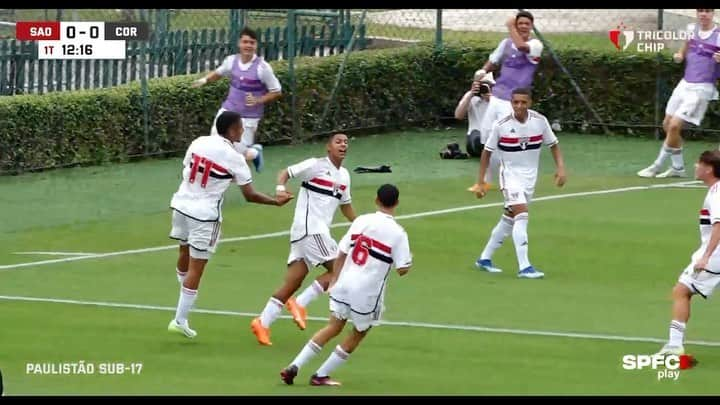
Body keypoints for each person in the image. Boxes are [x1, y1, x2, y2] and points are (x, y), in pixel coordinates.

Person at [167, 111, 293, 338]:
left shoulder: (199, 142)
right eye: (241, 127)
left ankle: (182, 294)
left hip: (180, 204)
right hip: (204, 215)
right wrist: (276, 202)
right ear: (233, 130)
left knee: (183, 249)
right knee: (197, 267)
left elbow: (187, 168)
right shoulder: (234, 157)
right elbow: (249, 195)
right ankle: (180, 318)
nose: (244, 131)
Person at [279, 184, 412, 386]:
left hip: (344, 283)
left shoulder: (361, 220)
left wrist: (334, 279)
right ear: (397, 203)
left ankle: (294, 365)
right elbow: (402, 270)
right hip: (367, 292)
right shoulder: (398, 233)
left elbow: (341, 251)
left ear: (376, 200)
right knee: (359, 333)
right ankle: (320, 375)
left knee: (333, 326)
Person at [251, 133, 357, 346]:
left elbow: (345, 206)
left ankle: (262, 322)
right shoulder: (315, 165)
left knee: (293, 281)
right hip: (311, 231)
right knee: (342, 269)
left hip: (306, 233)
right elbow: (284, 173)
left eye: (346, 142)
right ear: (328, 147)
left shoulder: (344, 176)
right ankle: (300, 303)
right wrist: (280, 190)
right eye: (338, 141)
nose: (343, 145)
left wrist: (361, 226)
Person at [469, 88, 566, 279]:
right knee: (521, 215)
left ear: (530, 103)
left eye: (523, 102)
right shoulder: (501, 125)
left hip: (530, 178)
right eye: (516, 102)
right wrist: (480, 182)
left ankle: (484, 258)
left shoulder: (539, 121)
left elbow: (553, 145)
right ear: (511, 103)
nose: (519, 106)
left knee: (509, 218)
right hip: (510, 177)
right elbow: (486, 153)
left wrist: (561, 168)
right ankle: (525, 266)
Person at [638, 9, 720, 179]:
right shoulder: (691, 29)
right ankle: (678, 167)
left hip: (702, 87)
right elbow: (684, 50)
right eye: (700, 11)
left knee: (675, 126)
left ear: (713, 14)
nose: (703, 14)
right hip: (684, 84)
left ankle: (656, 166)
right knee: (667, 124)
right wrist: (679, 56)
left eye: (707, 11)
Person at [191, 27, 283, 173]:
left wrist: (258, 100)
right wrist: (204, 81)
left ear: (256, 45)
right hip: (227, 110)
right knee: (215, 144)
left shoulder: (263, 67)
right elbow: (219, 73)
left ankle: (254, 153)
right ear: (239, 43)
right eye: (245, 42)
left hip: (248, 117)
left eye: (252, 43)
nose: (248, 46)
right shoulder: (231, 61)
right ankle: (217, 186)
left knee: (237, 154)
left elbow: (276, 91)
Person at [656, 150, 720, 356]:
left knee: (682, 291)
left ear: (708, 169)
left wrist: (706, 256)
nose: (695, 166)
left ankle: (675, 345)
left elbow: (719, 224)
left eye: (698, 163)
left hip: (715, 255)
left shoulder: (717, 193)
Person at [474, 10, 543, 174]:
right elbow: (493, 59)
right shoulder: (505, 43)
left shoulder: (536, 45)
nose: (524, 26)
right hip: (496, 96)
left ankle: (511, 172)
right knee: (486, 135)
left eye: (527, 24)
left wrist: (511, 25)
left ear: (531, 26)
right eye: (520, 23)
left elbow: (521, 46)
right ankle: (488, 179)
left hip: (514, 99)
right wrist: (482, 72)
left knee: (507, 138)